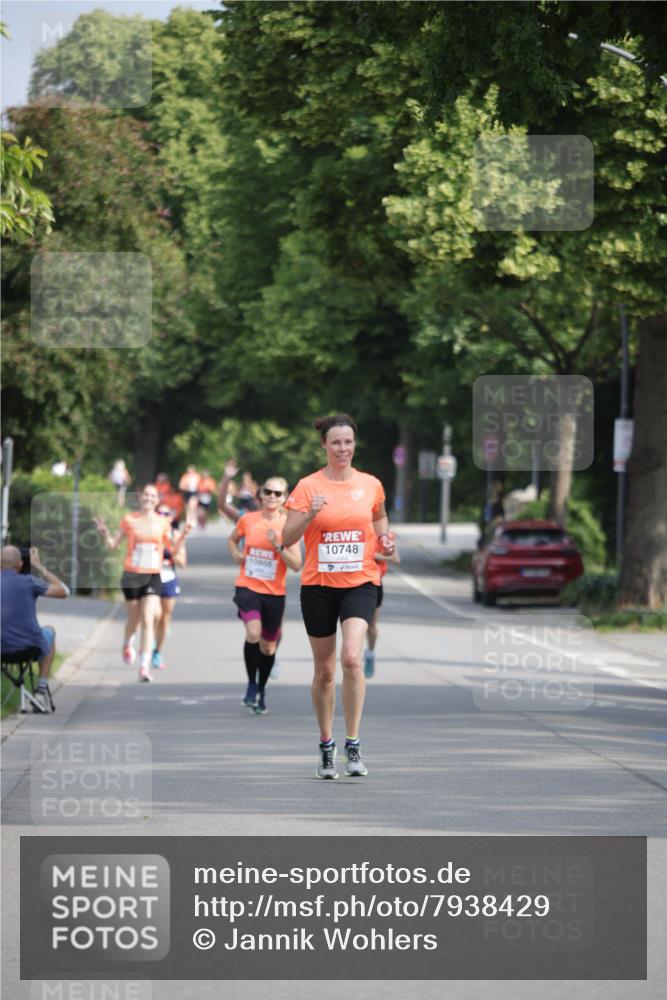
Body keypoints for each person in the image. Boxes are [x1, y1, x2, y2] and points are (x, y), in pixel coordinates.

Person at [282, 413, 395, 779]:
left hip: (361, 581)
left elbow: (379, 520)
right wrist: (309, 514)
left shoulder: (370, 484)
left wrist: (385, 539)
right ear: (324, 445)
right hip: (318, 586)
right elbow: (286, 538)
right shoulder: (307, 487)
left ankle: (353, 743)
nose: (342, 448)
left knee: (351, 658)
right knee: (325, 671)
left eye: (348, 442)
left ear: (354, 444)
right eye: (335, 442)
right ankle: (326, 745)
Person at [94, 484, 191, 682]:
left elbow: (173, 550)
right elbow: (113, 545)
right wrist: (104, 534)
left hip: (152, 576)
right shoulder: (130, 519)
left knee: (148, 618)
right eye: (145, 495)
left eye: (152, 496)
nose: (148, 498)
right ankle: (128, 642)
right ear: (140, 497)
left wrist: (184, 535)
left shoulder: (163, 522)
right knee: (134, 621)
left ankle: (145, 667)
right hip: (131, 574)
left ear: (157, 500)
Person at [227, 476, 302, 714]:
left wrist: (278, 546)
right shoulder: (248, 520)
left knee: (269, 648)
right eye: (268, 491)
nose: (272, 496)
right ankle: (250, 684)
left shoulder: (289, 526)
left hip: (274, 592)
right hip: (248, 586)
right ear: (260, 495)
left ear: (285, 498)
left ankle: (261, 689)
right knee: (253, 633)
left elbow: (297, 564)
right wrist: (236, 554)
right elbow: (232, 539)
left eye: (277, 493)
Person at [1, 545, 69, 705]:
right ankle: (41, 690)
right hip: (29, 648)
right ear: (20, 564)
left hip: (1, 649)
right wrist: (39, 567)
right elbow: (65, 591)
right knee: (49, 631)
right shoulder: (29, 582)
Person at [152, 502, 189, 670]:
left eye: (166, 514)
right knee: (155, 615)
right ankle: (150, 642)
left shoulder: (175, 536)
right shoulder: (150, 534)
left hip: (169, 578)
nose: (163, 517)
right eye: (160, 513)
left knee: (165, 617)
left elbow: (182, 563)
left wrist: (173, 554)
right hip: (151, 578)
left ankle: (157, 652)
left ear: (171, 517)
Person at [363, 536, 400, 679]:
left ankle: (370, 653)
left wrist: (373, 556)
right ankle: (351, 658)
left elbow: (395, 558)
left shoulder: (383, 535)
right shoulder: (353, 526)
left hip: (375, 583)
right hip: (352, 583)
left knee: (371, 626)